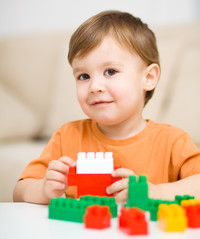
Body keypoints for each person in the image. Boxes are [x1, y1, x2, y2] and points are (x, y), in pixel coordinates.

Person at [13, 10, 200, 204]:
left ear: (148, 78)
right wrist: (44, 189)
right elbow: (19, 191)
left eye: (110, 71)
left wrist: (156, 192)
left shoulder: (172, 141)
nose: (94, 87)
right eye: (83, 76)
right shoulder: (66, 137)